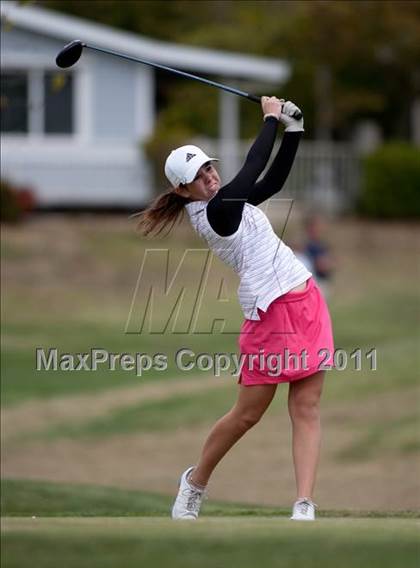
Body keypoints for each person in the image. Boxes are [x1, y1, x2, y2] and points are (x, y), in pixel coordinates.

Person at [137, 97, 334, 521]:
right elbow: (251, 172)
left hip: (305, 299)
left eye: (209, 167)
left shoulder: (230, 200)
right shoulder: (214, 213)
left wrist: (293, 131)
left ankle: (304, 503)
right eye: (198, 175)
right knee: (247, 415)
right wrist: (269, 120)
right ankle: (195, 482)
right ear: (181, 189)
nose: (209, 176)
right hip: (269, 315)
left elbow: (272, 180)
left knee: (307, 407)